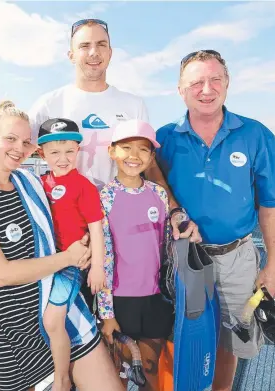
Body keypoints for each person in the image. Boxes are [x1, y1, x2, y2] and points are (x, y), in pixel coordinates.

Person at [0, 101, 123, 391]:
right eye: (10, 138)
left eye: (26, 141)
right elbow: (0, 274)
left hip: (60, 310)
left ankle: (63, 378)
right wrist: (68, 257)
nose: (19, 147)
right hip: (11, 334)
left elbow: (69, 216)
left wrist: (89, 243)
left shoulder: (29, 183)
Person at [154, 50, 275, 391]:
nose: (206, 88)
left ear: (227, 85)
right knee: (183, 334)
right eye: (196, 81)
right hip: (183, 258)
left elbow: (272, 205)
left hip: (237, 258)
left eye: (215, 79)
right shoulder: (164, 138)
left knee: (232, 340)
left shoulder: (256, 135)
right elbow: (152, 180)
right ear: (181, 90)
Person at [28, 18, 201, 243]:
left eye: (101, 45)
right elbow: (17, 153)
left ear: (110, 53)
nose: (94, 52)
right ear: (70, 55)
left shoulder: (133, 105)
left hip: (121, 223)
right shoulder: (48, 104)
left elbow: (150, 166)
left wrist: (175, 210)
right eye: (84, 46)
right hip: (66, 228)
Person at [97, 119, 174, 391]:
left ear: (152, 157)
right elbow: (103, 258)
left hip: (156, 299)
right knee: (118, 375)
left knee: (151, 375)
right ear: (112, 151)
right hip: (120, 301)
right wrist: (107, 313)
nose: (134, 156)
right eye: (126, 147)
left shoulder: (158, 194)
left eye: (143, 150)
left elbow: (165, 248)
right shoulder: (104, 198)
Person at [37, 117, 105, 391]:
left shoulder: (84, 186)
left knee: (53, 321)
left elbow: (96, 230)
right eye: (54, 152)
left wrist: (98, 266)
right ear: (41, 154)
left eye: (69, 151)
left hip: (71, 263)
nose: (62, 158)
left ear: (78, 150)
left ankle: (62, 378)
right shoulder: (39, 183)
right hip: (45, 260)